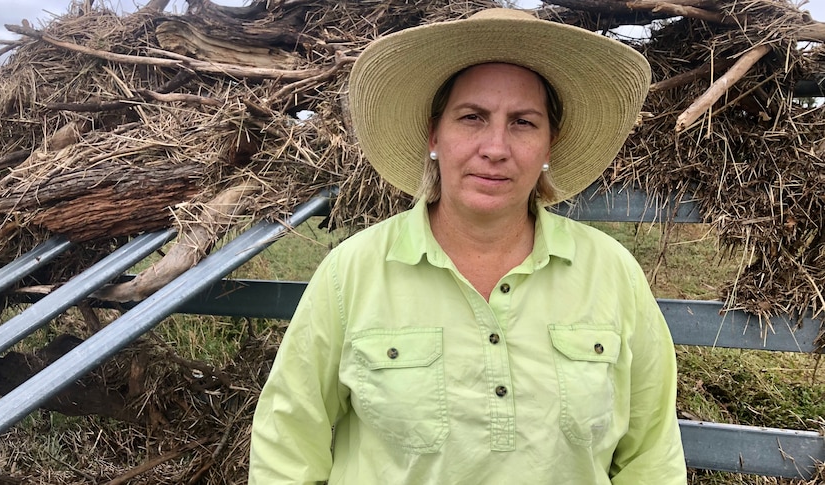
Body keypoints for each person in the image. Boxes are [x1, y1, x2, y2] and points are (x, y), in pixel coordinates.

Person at [248, 8, 686, 485]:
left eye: (523, 122)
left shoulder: (611, 274)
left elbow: (652, 457)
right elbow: (287, 446)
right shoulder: (352, 273)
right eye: (472, 117)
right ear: (435, 134)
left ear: (549, 146)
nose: (495, 147)